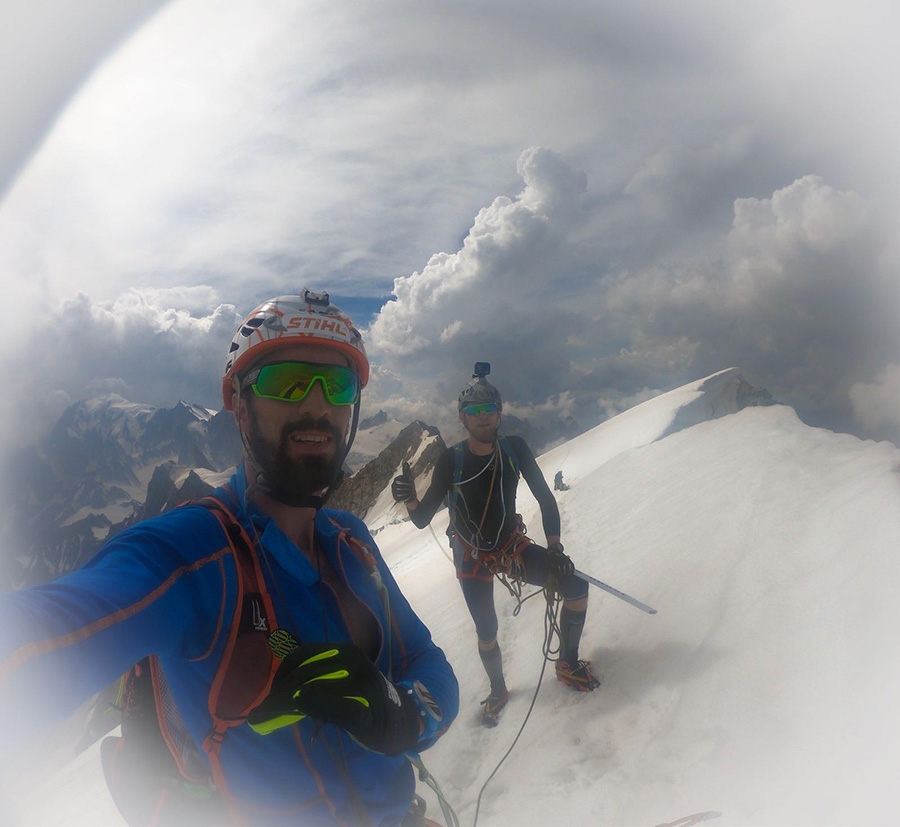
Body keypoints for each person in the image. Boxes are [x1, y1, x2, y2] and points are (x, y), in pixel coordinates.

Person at [0, 289, 458, 826]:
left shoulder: (351, 540)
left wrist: (401, 717)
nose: (316, 404)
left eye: (337, 385)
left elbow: (430, 668)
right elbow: (38, 638)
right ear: (239, 404)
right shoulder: (190, 556)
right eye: (286, 382)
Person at [391, 364, 597, 728]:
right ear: (463, 417)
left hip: (508, 546)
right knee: (486, 631)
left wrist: (555, 548)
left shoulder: (514, 449)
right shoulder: (451, 460)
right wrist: (409, 500)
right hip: (473, 555)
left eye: (488, 410)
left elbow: (546, 500)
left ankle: (567, 662)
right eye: (475, 412)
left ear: (500, 412)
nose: (483, 417)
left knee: (576, 586)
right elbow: (423, 519)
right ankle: (498, 688)